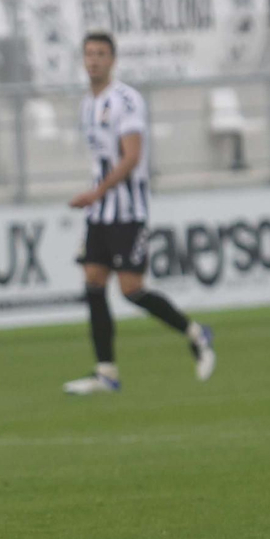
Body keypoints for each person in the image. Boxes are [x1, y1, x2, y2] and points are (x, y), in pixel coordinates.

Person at [62, 32, 215, 395]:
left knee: (131, 289)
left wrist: (96, 193)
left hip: (128, 211)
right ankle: (106, 372)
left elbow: (131, 158)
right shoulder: (87, 103)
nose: (94, 60)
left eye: (100, 54)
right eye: (88, 54)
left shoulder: (126, 101)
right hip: (99, 213)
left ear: (113, 60)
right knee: (93, 284)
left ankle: (195, 332)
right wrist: (95, 198)